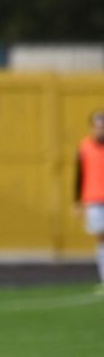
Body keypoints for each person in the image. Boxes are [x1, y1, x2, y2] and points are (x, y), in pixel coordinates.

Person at [75, 110, 104, 293]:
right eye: (98, 126)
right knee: (101, 238)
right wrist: (77, 201)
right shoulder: (84, 147)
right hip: (93, 198)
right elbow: (79, 175)